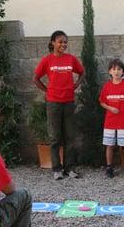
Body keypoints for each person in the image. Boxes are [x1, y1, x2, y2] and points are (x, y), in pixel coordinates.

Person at [34, 30, 85, 180]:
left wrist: (76, 85)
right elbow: (36, 78)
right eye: (60, 42)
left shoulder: (71, 59)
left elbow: (82, 72)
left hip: (69, 102)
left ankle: (70, 168)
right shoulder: (47, 60)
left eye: (65, 42)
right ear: (53, 43)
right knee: (55, 137)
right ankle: (57, 169)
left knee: (70, 137)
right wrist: (47, 91)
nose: (63, 44)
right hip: (53, 103)